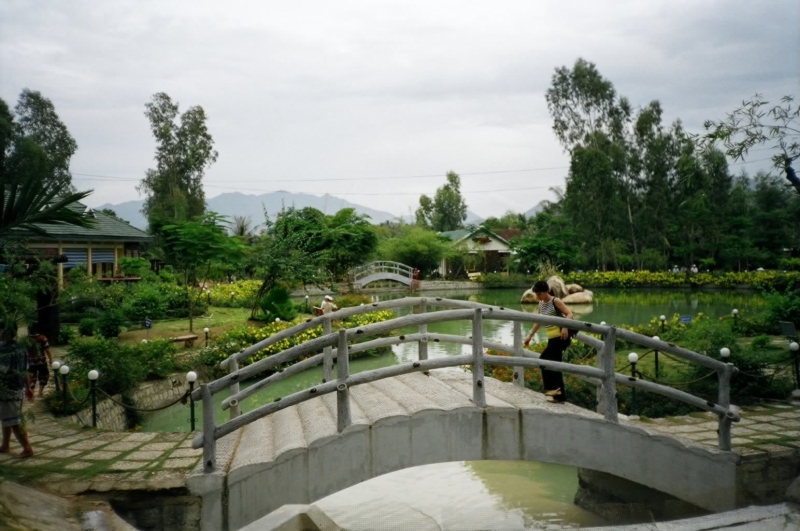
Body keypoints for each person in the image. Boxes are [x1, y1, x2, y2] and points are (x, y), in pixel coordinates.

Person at [522, 280, 574, 403]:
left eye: (539, 293)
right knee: (555, 365)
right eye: (536, 294)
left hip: (560, 338)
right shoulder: (541, 304)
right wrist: (530, 336)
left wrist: (565, 327)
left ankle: (553, 390)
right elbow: (538, 321)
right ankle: (559, 396)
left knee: (544, 359)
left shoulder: (555, 301)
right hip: (551, 338)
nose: (537, 296)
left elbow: (569, 314)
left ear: (546, 291)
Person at [0, 322, 34, 458]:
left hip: (8, 389)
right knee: (6, 417)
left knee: (13, 420)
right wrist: (28, 387)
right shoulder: (21, 347)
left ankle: (27, 448)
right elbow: (24, 369)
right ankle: (5, 445)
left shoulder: (5, 350)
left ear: (5, 332)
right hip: (18, 387)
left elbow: (2, 371)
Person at [25, 323, 52, 398]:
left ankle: (32, 392)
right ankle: (40, 392)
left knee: (31, 377)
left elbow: (24, 351)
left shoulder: (26, 339)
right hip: (41, 361)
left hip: (31, 362)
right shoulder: (42, 338)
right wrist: (51, 360)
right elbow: (47, 350)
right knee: (44, 375)